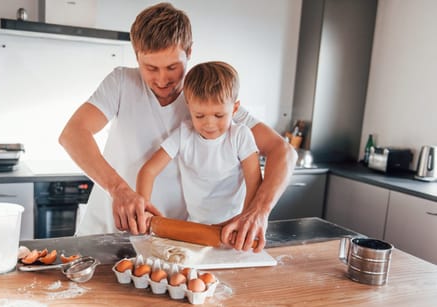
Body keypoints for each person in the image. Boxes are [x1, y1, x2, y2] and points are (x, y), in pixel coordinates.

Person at [59, 2, 296, 252]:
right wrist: (119, 189)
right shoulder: (120, 82)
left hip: (172, 243)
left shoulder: (206, 97)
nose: (162, 80)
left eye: (172, 67)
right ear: (136, 55)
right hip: (104, 234)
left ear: (189, 51)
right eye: (150, 68)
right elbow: (73, 134)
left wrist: (257, 212)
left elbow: (283, 151)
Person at [136, 61, 261, 228]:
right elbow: (148, 171)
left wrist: (245, 220)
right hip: (195, 225)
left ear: (235, 108)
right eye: (200, 116)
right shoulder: (184, 134)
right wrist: (144, 209)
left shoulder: (241, 136)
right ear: (189, 108)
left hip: (233, 225)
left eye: (219, 115)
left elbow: (254, 181)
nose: (209, 124)